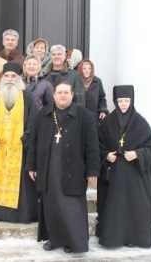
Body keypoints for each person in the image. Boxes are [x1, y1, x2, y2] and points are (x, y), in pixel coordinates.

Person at [26, 81, 100, 253]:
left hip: (74, 171)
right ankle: (55, 239)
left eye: (66, 92)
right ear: (54, 95)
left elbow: (92, 146)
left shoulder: (84, 115)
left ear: (72, 95)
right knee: (52, 206)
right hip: (49, 169)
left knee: (71, 208)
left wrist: (93, 171)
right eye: (59, 92)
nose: (63, 95)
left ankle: (71, 242)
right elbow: (33, 142)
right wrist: (31, 165)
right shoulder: (43, 114)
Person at [97, 85, 151, 248]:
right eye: (120, 100)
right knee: (115, 207)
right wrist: (106, 155)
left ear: (132, 101)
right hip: (114, 176)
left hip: (134, 176)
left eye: (127, 100)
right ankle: (113, 238)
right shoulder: (107, 122)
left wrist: (137, 154)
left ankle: (133, 237)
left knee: (132, 207)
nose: (123, 104)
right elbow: (98, 145)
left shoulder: (140, 122)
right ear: (115, 101)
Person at [0, 62, 38, 223]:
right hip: (1, 148)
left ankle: (23, 214)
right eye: (6, 76)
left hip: (21, 149)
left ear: (18, 78)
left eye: (13, 76)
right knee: (1, 178)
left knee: (22, 184)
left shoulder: (27, 97)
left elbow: (34, 122)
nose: (9, 79)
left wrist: (25, 137)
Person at [77, 59, 109, 125]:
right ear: (81, 69)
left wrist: (103, 110)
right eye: (84, 68)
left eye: (89, 68)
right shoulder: (76, 81)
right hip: (79, 117)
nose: (87, 70)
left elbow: (102, 98)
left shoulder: (97, 81)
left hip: (93, 118)